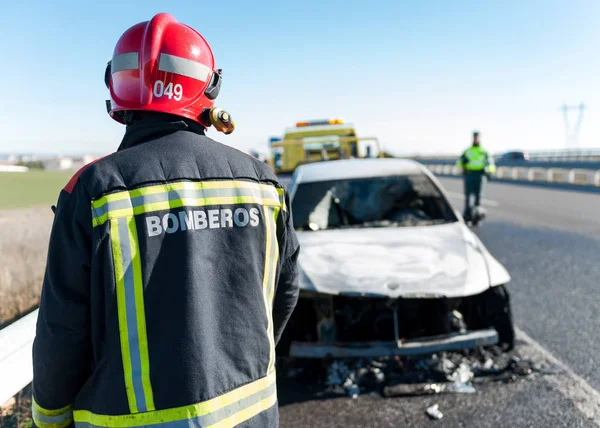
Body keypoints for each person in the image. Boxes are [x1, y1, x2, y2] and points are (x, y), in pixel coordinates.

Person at [31, 13, 299, 428]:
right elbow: (284, 295)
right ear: (209, 87)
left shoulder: (94, 189)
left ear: (116, 86)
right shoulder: (264, 184)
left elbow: (62, 329)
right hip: (252, 416)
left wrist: (48, 417)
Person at [456, 131, 496, 221]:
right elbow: (459, 162)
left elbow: (490, 164)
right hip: (469, 174)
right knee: (468, 197)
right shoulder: (467, 151)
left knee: (478, 196)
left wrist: (489, 172)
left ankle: (476, 217)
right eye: (474, 137)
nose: (476, 139)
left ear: (479, 138)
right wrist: (463, 162)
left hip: (480, 175)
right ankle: (467, 216)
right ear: (472, 138)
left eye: (477, 137)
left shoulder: (484, 151)